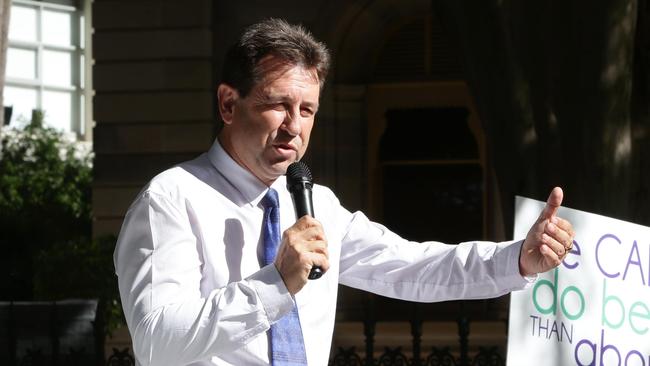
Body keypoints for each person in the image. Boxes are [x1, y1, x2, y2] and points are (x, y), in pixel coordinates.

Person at [113, 18, 575, 366]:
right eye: (278, 105)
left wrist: (516, 259)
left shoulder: (317, 205)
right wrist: (275, 284)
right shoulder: (171, 199)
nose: (294, 127)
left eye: (308, 109)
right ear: (229, 103)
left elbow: (413, 265)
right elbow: (156, 342)